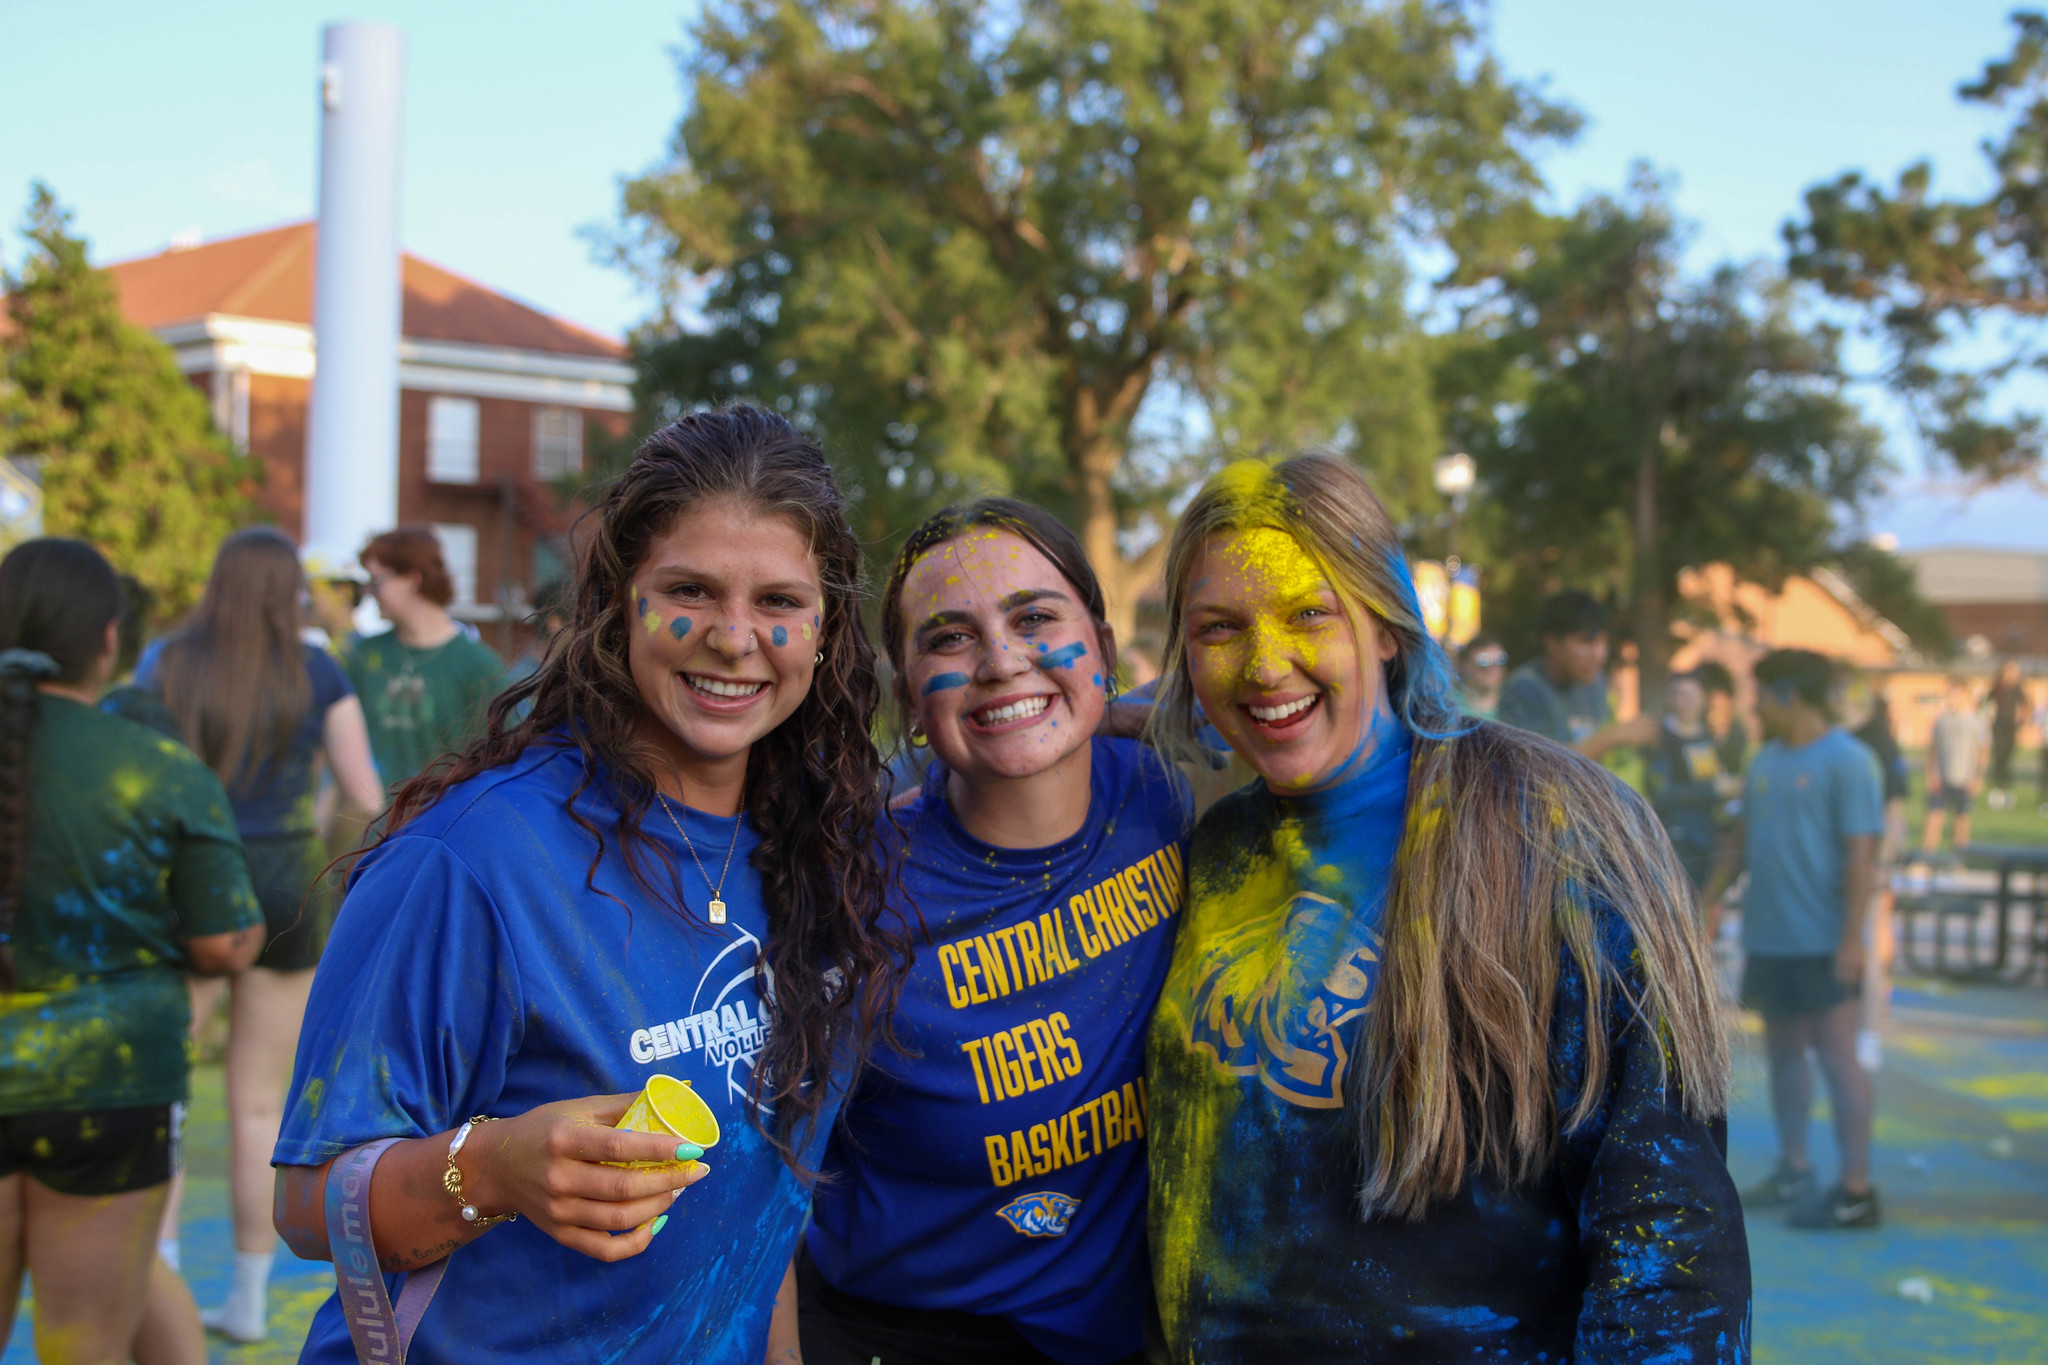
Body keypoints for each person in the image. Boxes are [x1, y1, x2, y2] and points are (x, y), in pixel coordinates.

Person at [271, 406, 904, 1364]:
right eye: (689, 590)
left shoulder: (815, 849)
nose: (735, 638)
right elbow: (307, 1201)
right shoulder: (473, 857)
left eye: (778, 600)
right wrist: (492, 1167)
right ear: (617, 603)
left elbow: (758, 1211)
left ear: (824, 630)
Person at [1144, 456, 1747, 1360]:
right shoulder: (1215, 848)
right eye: (1219, 628)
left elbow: (1668, 1236)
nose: (1264, 665)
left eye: (1309, 614)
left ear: (1388, 626)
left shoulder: (1551, 829)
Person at [801, 500, 1190, 1365]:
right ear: (909, 697)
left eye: (1036, 618)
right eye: (949, 638)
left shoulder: (1169, 794)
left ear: (1104, 644)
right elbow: (764, 1176)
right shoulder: (853, 893)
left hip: (1131, 1335)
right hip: (896, 1334)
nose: (1002, 660)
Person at [0, 538, 264, 1365]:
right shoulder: (160, 768)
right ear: (109, 639)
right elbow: (223, 943)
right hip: (109, 1083)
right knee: (82, 1342)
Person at [138, 528, 386, 1343]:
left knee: (164, 1093)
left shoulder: (167, 663)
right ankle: (247, 1296)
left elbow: (139, 776)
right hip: (286, 887)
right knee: (255, 1103)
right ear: (287, 591)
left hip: (188, 883)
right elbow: (364, 791)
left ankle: (159, 1283)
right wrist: (312, 821)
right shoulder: (317, 669)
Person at [1703, 649, 1884, 1231]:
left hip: (1824, 940)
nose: (1753, 708)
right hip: (1770, 938)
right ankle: (1794, 1168)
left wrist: (1852, 940)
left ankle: (1856, 1189)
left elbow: (1861, 856)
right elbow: (1740, 839)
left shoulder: (1850, 761)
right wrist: (1707, 901)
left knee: (1836, 1054)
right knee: (1783, 1052)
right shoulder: (1765, 760)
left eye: (1760, 696)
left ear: (1788, 696)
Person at [344, 526, 506, 791]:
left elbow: (499, 760)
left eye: (377, 581)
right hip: (373, 816)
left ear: (412, 578)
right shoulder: (363, 656)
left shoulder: (478, 665)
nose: (371, 593)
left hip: (443, 815)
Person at [1496, 589, 1657, 758]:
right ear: (1552, 642)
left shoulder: (1595, 682)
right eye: (1587, 641)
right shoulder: (1525, 687)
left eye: (1604, 642)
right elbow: (1540, 762)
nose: (1599, 653)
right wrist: (1613, 737)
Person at [1643, 671, 1737, 895]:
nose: (1682, 702)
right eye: (1677, 695)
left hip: (1708, 838)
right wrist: (1713, 790)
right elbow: (1662, 794)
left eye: (1690, 696)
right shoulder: (1659, 739)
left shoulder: (1709, 736)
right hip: (1676, 840)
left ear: (1704, 699)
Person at [1921, 676, 1987, 854]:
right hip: (1942, 776)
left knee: (1961, 819)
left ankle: (1959, 857)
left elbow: (1982, 751)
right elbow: (1932, 750)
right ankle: (1927, 856)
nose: (1953, 698)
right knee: (1934, 816)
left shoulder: (1975, 722)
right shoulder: (1941, 721)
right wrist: (1931, 773)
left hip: (1964, 776)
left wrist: (1978, 776)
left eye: (1957, 694)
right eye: (1951, 694)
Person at [1697, 660, 1751, 777]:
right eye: (1709, 710)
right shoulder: (1694, 737)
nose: (1714, 718)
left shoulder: (1739, 735)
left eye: (1718, 710)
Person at [1987, 660, 2025, 809]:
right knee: (1999, 758)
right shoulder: (1996, 689)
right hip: (1998, 728)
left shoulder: (2018, 690)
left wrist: (2020, 726)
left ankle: (2007, 791)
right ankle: (1998, 790)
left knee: (2008, 760)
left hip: (2011, 729)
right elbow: (1987, 706)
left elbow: (2023, 707)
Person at [1452, 630, 1506, 718]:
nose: (1492, 668)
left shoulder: (1516, 704)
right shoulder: (1450, 706)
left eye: (1500, 660)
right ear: (1464, 666)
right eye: (1483, 661)